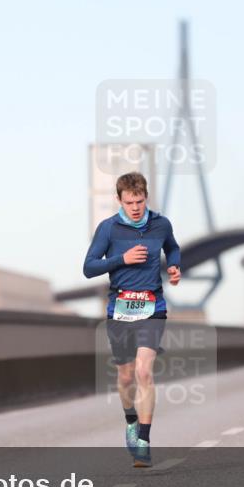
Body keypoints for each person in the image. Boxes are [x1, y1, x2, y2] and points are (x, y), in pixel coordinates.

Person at [83, 172, 181, 468]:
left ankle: (144, 441)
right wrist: (121, 260)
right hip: (120, 309)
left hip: (153, 306)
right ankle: (130, 420)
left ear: (146, 197)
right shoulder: (109, 229)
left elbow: (172, 247)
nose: (135, 207)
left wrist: (174, 266)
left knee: (143, 372)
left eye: (139, 201)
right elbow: (89, 268)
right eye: (129, 202)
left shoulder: (160, 224)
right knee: (125, 377)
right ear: (119, 200)